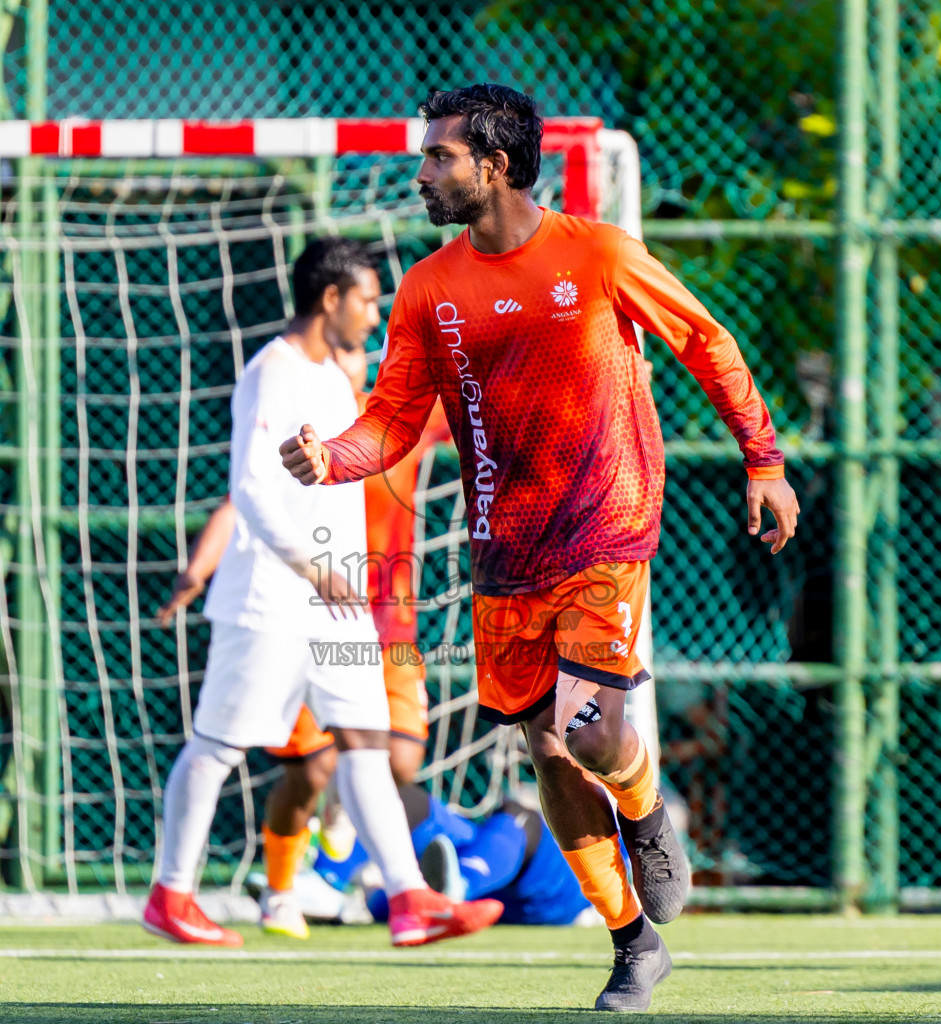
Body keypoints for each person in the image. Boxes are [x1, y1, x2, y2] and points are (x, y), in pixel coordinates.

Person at [280, 85, 800, 1010]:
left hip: (607, 528)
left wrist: (763, 459)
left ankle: (644, 811)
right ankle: (633, 943)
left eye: (439, 155)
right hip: (505, 552)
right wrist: (332, 461)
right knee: (550, 752)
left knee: (594, 730)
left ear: (496, 166)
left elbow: (706, 340)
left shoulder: (598, 253)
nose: (422, 171)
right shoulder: (429, 288)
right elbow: (392, 420)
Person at [144, 235, 502, 949]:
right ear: (331, 298)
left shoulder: (335, 382)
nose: (374, 315)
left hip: (339, 602)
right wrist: (310, 567)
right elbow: (249, 487)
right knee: (219, 745)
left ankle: (411, 899)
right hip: (272, 600)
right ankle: (171, 895)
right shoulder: (271, 372)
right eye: (367, 300)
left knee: (366, 744)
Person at [157, 345, 450, 939]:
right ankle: (281, 891)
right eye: (342, 346)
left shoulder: (401, 417)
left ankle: (355, 867)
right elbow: (243, 498)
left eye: (358, 349)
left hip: (386, 620)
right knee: (309, 767)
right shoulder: (305, 423)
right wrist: (199, 568)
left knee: (397, 757)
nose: (350, 355)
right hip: (310, 610)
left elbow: (484, 395)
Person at [314, 785, 597, 928]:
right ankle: (328, 884)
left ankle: (454, 887)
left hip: (559, 892)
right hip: (488, 866)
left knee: (521, 817)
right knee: (398, 796)